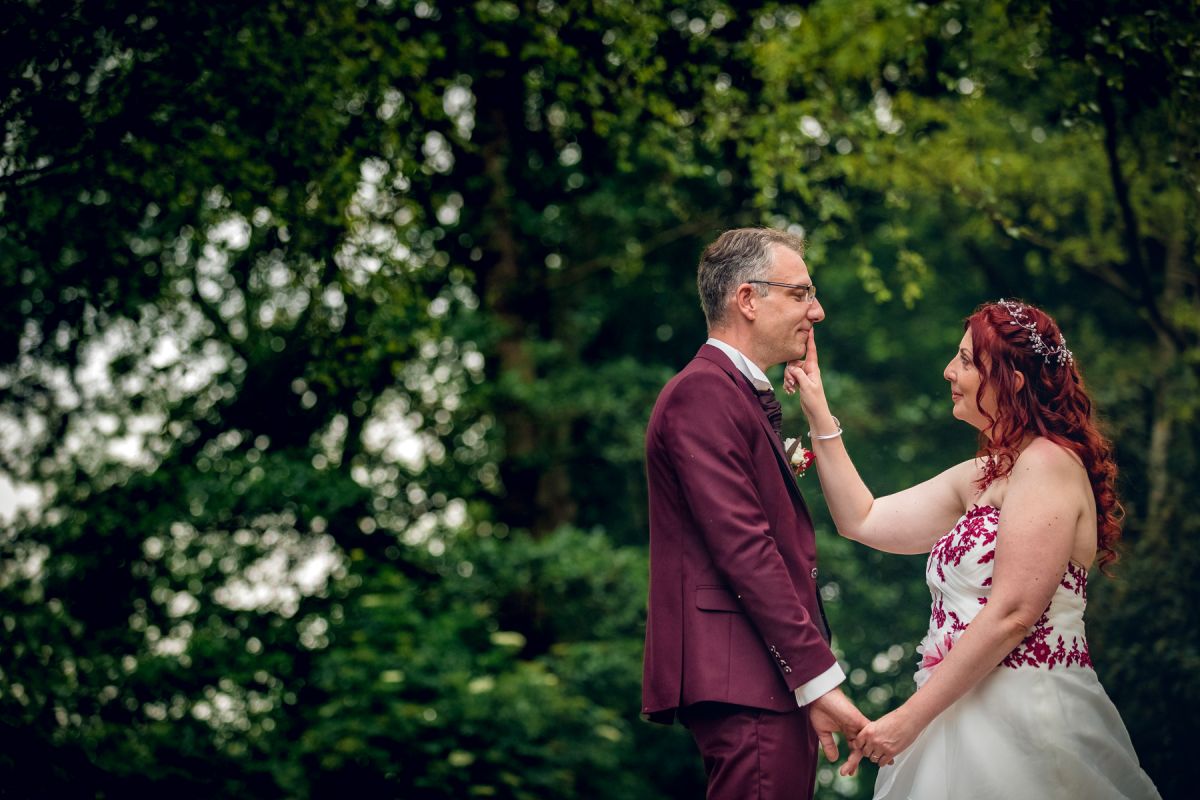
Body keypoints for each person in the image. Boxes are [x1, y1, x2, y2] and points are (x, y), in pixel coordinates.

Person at [784, 299, 1161, 799]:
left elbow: (1013, 614)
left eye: (965, 360)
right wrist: (817, 407)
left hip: (1027, 723)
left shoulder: (1049, 464)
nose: (948, 371)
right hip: (953, 718)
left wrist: (908, 719)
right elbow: (862, 519)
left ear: (1013, 381)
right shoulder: (986, 475)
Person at [641, 228, 868, 799]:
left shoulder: (733, 393)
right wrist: (817, 678)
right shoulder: (702, 393)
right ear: (748, 299)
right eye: (800, 294)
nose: (816, 311)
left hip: (763, 675)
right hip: (745, 673)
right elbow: (745, 548)